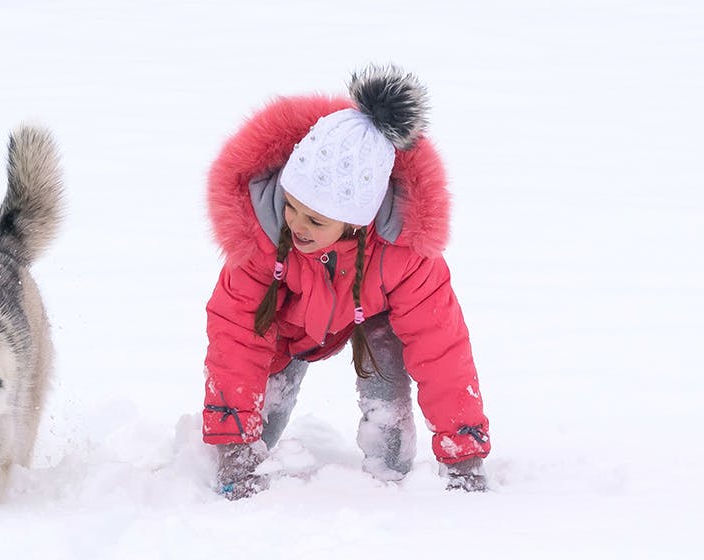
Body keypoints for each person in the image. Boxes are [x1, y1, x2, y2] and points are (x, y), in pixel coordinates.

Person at [201, 65, 490, 499]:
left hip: (370, 321)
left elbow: (442, 349)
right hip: (286, 328)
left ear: (358, 220)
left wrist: (463, 452)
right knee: (256, 432)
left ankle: (388, 456)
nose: (295, 224)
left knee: (390, 427)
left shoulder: (405, 253)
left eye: (315, 219)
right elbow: (236, 337)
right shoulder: (262, 236)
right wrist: (235, 442)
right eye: (291, 206)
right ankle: (249, 437)